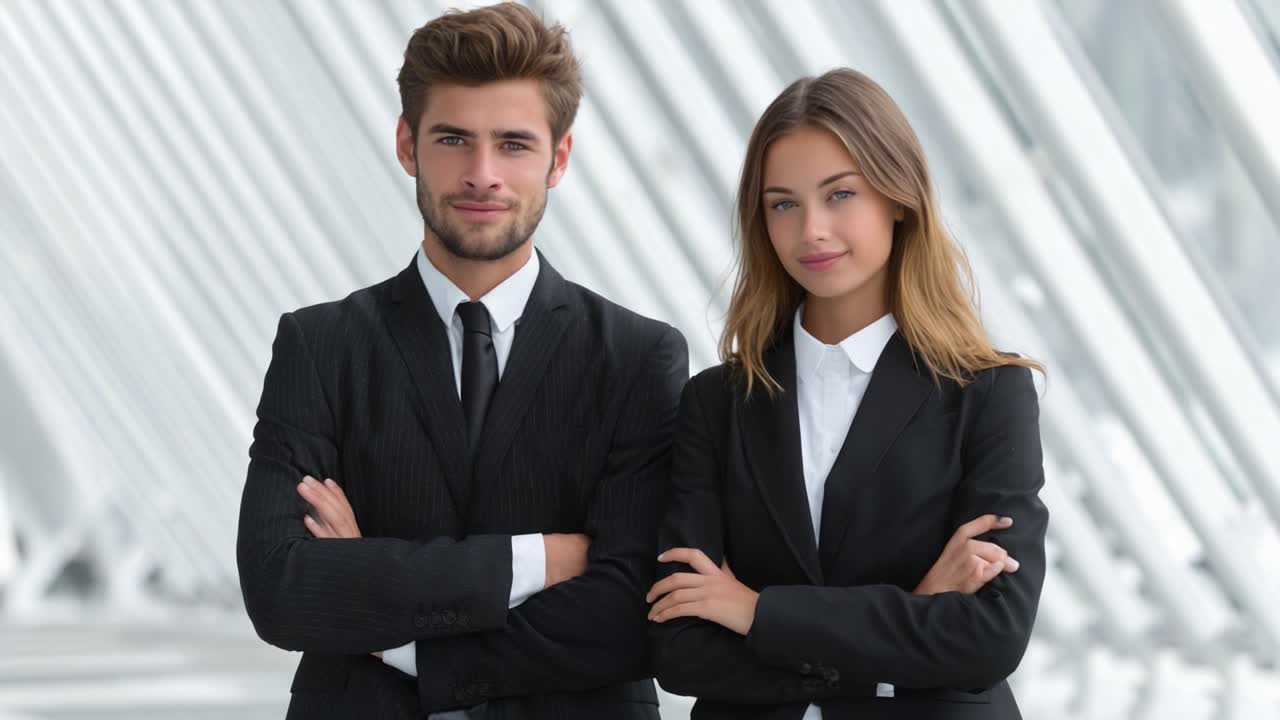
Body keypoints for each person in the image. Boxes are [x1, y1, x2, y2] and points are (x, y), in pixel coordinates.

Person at [235, 4, 687, 719]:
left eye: (513, 144)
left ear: (558, 159)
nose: (482, 175)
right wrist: (537, 561)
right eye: (453, 140)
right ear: (408, 146)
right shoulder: (320, 346)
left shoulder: (637, 358)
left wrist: (380, 612)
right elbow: (280, 586)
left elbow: (628, 614)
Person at [647, 68, 1048, 720]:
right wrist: (914, 613)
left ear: (898, 197)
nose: (811, 231)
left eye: (840, 196)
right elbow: (680, 648)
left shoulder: (988, 394)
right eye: (783, 204)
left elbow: (989, 638)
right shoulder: (715, 406)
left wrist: (755, 611)